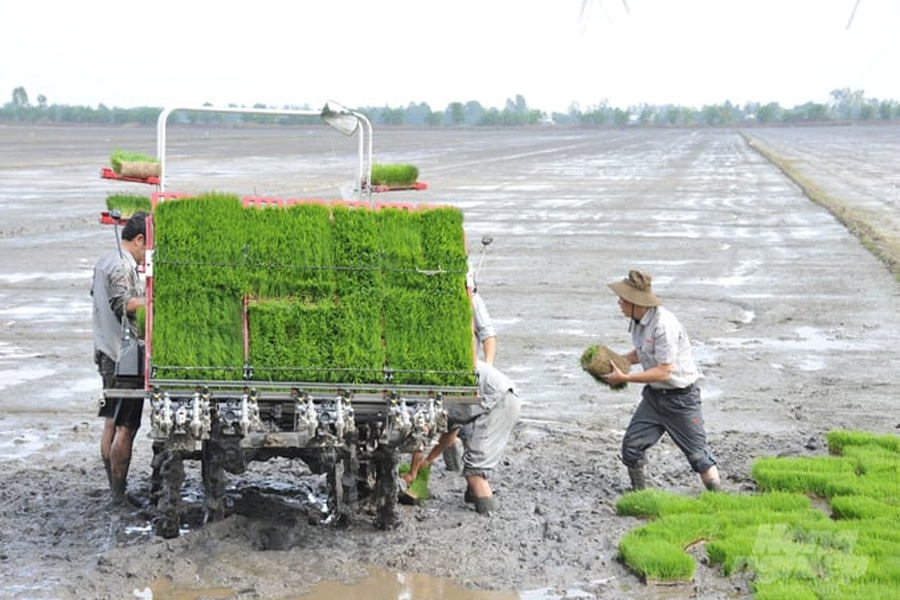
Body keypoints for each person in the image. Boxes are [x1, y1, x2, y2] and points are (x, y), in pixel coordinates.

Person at [602, 269, 722, 492]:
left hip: (681, 399)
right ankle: (640, 494)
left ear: (635, 301)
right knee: (632, 447)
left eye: (622, 298)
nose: (619, 302)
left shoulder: (663, 324)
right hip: (654, 398)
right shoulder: (639, 321)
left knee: (699, 457)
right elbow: (642, 352)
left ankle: (719, 500)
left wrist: (625, 377)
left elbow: (665, 371)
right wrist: (616, 361)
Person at [403, 360, 521, 515]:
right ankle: (473, 497)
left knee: (475, 472)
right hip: (504, 398)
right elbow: (449, 436)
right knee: (473, 463)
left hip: (499, 403)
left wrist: (412, 473)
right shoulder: (448, 388)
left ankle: (488, 517)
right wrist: (427, 461)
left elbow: (422, 435)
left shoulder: (433, 382)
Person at [91, 212, 148, 506]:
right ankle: (118, 494)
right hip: (122, 357)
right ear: (139, 240)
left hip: (105, 352)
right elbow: (124, 305)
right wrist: (155, 298)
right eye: (147, 248)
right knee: (126, 426)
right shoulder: (121, 266)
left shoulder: (104, 261)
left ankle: (114, 487)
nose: (145, 257)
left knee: (111, 422)